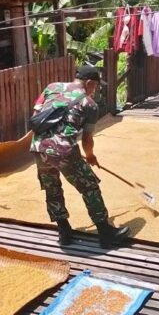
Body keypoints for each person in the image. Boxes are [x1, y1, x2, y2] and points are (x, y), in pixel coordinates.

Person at [31, 65, 130, 249]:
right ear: (89, 83)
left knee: (52, 189)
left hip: (39, 148)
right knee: (89, 187)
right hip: (64, 152)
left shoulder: (52, 87)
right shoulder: (90, 104)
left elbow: (36, 115)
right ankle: (106, 233)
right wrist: (90, 156)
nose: (95, 90)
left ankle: (64, 232)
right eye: (95, 86)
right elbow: (87, 139)